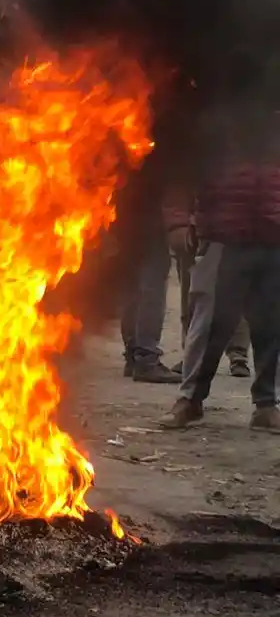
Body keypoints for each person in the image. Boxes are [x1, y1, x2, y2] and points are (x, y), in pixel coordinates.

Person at [159, 141, 280, 432]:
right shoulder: (218, 114)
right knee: (209, 326)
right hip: (223, 237)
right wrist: (177, 223)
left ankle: (266, 406)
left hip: (274, 239)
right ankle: (190, 401)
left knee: (271, 326)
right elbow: (181, 175)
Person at [118, 213, 180, 383]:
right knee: (152, 285)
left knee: (133, 284)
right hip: (150, 221)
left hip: (123, 219)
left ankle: (133, 354)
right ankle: (146, 358)